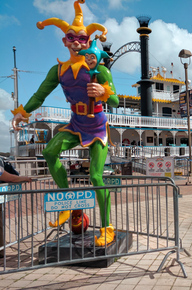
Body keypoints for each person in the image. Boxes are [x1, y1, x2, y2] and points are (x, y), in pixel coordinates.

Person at [11, 1, 119, 247]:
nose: (77, 42)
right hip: (75, 124)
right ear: (64, 41)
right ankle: (68, 201)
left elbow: (114, 98)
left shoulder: (98, 69)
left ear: (89, 40)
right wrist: (22, 112)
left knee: (95, 176)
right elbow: (40, 96)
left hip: (97, 126)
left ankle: (107, 227)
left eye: (83, 38)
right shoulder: (57, 71)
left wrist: (102, 90)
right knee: (49, 151)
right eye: (71, 37)